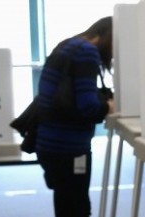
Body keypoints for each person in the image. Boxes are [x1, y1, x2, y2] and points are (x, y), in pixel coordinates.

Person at [35, 16, 114, 217]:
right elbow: (87, 107)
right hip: (69, 149)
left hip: (48, 143)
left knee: (65, 204)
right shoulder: (87, 52)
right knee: (78, 208)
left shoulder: (70, 45)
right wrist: (108, 106)